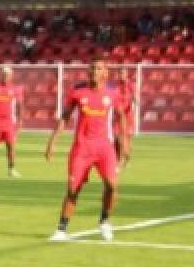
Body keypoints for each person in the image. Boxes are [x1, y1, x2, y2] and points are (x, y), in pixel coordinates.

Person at [45, 56, 129, 242]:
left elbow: (121, 117)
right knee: (73, 189)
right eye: (92, 68)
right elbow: (65, 117)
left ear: (106, 73)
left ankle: (105, 221)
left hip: (105, 148)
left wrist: (124, 144)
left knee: (112, 185)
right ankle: (61, 229)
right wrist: (52, 141)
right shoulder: (77, 91)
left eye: (99, 68)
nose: (94, 71)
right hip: (82, 148)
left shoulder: (113, 93)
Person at [112, 67, 135, 163]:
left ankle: (125, 157)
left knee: (125, 139)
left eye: (123, 73)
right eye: (120, 73)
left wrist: (134, 100)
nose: (121, 75)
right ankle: (118, 159)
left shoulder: (130, 85)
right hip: (117, 116)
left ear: (126, 74)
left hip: (127, 116)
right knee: (116, 138)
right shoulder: (115, 86)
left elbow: (134, 97)